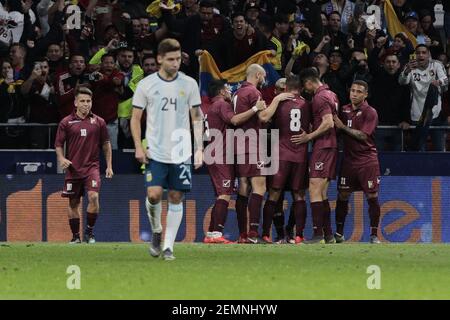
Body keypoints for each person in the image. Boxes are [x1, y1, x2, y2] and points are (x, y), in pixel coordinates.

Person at [130, 38, 203, 260]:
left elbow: (197, 118)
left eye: (178, 59)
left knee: (175, 196)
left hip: (181, 150)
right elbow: (135, 118)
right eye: (171, 59)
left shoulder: (189, 84)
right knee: (153, 195)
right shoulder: (147, 84)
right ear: (160, 59)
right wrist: (138, 147)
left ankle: (169, 246)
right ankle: (156, 231)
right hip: (156, 149)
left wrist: (199, 148)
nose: (175, 63)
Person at [202, 78, 265, 244]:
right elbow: (235, 120)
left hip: (217, 153)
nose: (230, 91)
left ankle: (211, 233)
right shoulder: (222, 105)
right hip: (220, 154)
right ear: (222, 92)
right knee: (225, 193)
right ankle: (216, 233)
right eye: (228, 89)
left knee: (222, 194)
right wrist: (255, 108)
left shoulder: (210, 108)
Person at [54, 86, 113, 244]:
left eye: (88, 101)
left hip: (92, 168)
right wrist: (61, 158)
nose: (86, 104)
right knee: (73, 203)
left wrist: (109, 166)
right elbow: (58, 144)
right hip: (73, 169)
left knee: (93, 197)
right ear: (75, 102)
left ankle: (89, 232)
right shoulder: (66, 122)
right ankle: (75, 236)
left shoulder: (99, 122)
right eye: (82, 101)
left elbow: (106, 144)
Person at [259, 75, 311, 244]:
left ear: (287, 88)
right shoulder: (307, 104)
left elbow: (264, 118)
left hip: (280, 153)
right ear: (301, 88)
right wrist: (308, 136)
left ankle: (266, 234)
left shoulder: (279, 102)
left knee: (273, 193)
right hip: (300, 154)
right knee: (299, 195)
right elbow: (312, 126)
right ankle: (299, 235)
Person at [292, 67, 338, 244]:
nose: (306, 90)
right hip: (329, 146)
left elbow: (328, 123)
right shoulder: (331, 94)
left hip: (324, 146)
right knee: (322, 192)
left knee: (314, 188)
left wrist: (308, 137)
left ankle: (318, 235)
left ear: (309, 82)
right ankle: (328, 234)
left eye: (305, 86)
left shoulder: (320, 97)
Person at [333, 80, 381, 244]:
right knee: (343, 194)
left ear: (366, 94)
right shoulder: (344, 110)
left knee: (372, 195)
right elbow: (336, 131)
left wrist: (342, 127)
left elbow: (363, 136)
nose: (354, 94)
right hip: (348, 160)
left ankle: (374, 235)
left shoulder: (370, 112)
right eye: (352, 90)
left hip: (367, 160)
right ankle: (339, 233)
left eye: (359, 91)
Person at [233, 63, 268, 244]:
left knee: (244, 187)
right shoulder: (254, 93)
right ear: (257, 75)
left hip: (238, 144)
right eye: (263, 76)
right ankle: (253, 233)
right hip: (252, 144)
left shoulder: (237, 93)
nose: (264, 79)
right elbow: (262, 117)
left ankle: (243, 235)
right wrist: (276, 102)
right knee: (260, 186)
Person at [398, 44, 448, 151]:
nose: (421, 55)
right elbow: (402, 82)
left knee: (439, 150)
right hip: (417, 115)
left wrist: (438, 81)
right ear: (415, 55)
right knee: (420, 150)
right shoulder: (410, 66)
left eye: (424, 52)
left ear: (428, 54)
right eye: (418, 53)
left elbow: (446, 80)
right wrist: (406, 71)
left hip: (436, 115)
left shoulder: (436, 65)